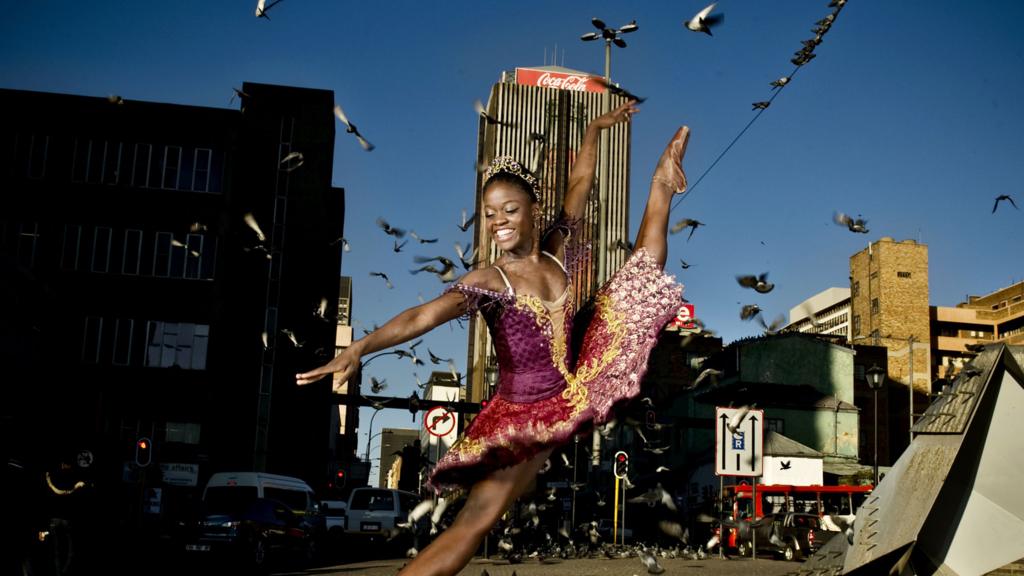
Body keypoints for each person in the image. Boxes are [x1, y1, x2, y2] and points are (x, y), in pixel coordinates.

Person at [297, 100, 691, 576]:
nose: (498, 221)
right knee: (474, 523)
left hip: (574, 381)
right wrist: (361, 346)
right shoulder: (490, 281)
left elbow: (580, 185)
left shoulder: (556, 251)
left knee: (640, 277)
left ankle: (661, 183)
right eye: (488, 214)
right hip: (523, 414)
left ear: (533, 211)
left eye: (509, 210)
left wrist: (593, 130)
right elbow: (423, 316)